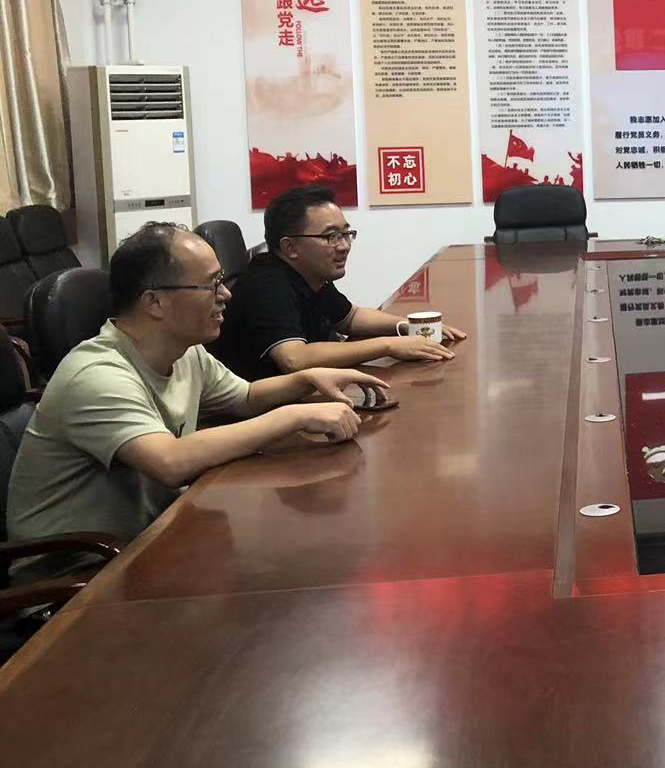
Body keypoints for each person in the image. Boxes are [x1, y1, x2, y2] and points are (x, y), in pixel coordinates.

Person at [5, 223, 388, 574]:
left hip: (149, 546)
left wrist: (308, 379)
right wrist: (292, 417)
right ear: (155, 302)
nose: (226, 294)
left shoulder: (184, 352)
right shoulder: (96, 375)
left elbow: (246, 397)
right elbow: (169, 461)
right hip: (78, 578)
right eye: (211, 285)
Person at [210, 184, 465, 380]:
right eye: (331, 236)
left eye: (346, 234)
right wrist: (389, 345)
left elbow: (350, 317)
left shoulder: (310, 273)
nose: (344, 246)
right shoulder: (266, 284)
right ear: (290, 247)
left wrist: (408, 327)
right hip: (257, 416)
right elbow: (294, 359)